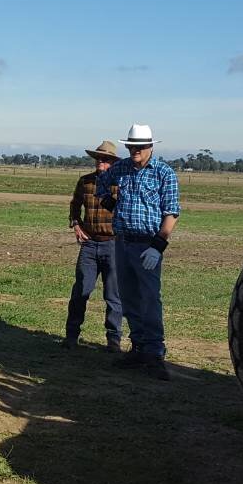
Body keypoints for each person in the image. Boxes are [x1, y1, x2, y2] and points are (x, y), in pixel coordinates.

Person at [96, 124, 181, 381]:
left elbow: (172, 212)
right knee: (128, 296)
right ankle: (139, 347)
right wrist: (107, 200)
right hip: (122, 242)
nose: (135, 151)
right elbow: (101, 183)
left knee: (150, 299)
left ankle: (155, 353)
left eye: (140, 147)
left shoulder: (164, 173)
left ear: (150, 147)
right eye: (132, 146)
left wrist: (159, 245)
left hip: (148, 244)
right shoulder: (120, 168)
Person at [65, 140, 123, 352]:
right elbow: (75, 205)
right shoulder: (85, 182)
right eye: (99, 158)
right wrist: (76, 224)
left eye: (106, 159)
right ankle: (71, 335)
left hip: (114, 245)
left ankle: (113, 340)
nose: (101, 161)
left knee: (114, 296)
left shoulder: (121, 183)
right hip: (89, 245)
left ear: (113, 162)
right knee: (81, 290)